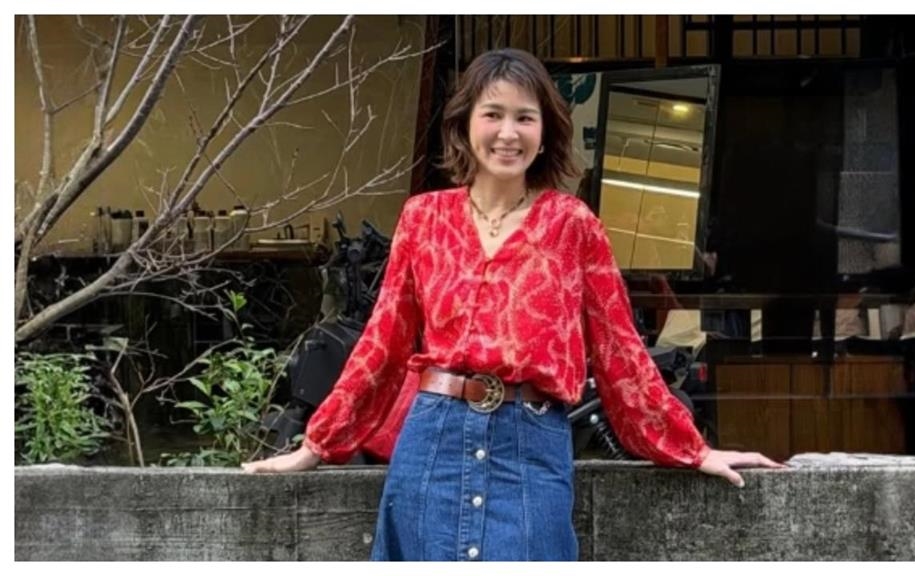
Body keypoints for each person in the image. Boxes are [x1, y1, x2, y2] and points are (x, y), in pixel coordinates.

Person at [242, 48, 784, 561]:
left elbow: (619, 350)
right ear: (464, 125)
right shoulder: (423, 219)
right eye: (493, 114)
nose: (508, 133)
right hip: (432, 444)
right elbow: (383, 342)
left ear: (545, 133)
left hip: (531, 446)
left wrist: (692, 448)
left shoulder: (573, 226)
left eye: (525, 117)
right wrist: (318, 443)